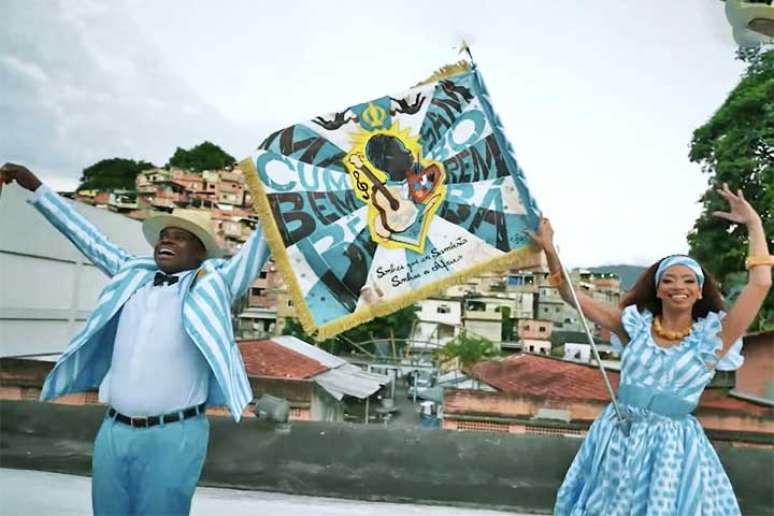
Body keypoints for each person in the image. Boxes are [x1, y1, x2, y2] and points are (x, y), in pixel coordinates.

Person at [1, 162, 270, 515]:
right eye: (164, 235)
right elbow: (87, 237)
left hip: (175, 436)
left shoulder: (214, 286)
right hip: (114, 431)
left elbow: (260, 246)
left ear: (200, 253)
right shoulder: (131, 274)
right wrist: (35, 186)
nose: (168, 240)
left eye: (181, 237)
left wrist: (280, 200)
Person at [527, 184, 772, 515]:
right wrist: (550, 250)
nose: (678, 287)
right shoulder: (635, 326)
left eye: (689, 281)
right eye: (669, 280)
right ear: (657, 289)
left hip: (671, 448)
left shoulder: (713, 338)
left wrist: (754, 224)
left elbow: (760, 284)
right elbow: (574, 296)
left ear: (700, 292)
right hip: (617, 435)